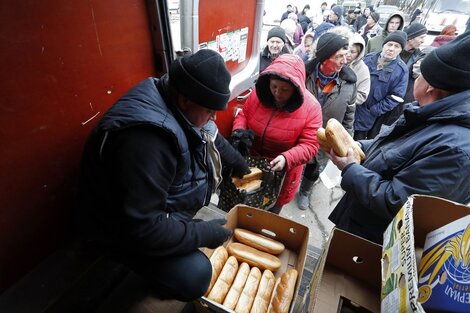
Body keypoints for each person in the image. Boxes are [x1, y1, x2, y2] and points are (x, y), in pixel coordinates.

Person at [76, 49, 250, 301]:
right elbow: (142, 228)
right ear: (185, 100)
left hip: (154, 207)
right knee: (195, 275)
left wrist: (239, 163)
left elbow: (211, 134)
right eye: (211, 110)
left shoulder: (176, 95)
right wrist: (202, 234)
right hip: (116, 229)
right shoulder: (147, 141)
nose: (215, 116)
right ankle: (152, 283)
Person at [327, 31, 470, 244]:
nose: (415, 80)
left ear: (431, 86)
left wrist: (350, 169)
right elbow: (392, 148)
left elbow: (400, 202)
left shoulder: (456, 149)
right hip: (359, 223)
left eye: (419, 74)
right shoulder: (428, 114)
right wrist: (356, 145)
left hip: (372, 245)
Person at [232, 54, 323, 215]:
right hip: (249, 163)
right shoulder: (258, 94)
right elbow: (244, 114)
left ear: (296, 88)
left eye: (284, 90)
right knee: (240, 207)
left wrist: (287, 158)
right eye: (274, 86)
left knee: (266, 216)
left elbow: (310, 145)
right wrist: (239, 132)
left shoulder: (312, 108)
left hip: (281, 173)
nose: (277, 93)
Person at [297, 30, 357, 210]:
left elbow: (349, 117)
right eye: (339, 56)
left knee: (313, 169)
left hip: (325, 139)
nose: (344, 61)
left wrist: (347, 143)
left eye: (345, 56)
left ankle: (305, 191)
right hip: (300, 134)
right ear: (324, 59)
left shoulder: (349, 83)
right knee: (294, 164)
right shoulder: (303, 75)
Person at [354, 31, 409, 140]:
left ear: (401, 50)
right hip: (353, 107)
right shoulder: (368, 58)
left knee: (356, 144)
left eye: (396, 46)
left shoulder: (401, 71)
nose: (391, 49)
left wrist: (374, 110)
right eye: (389, 44)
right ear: (384, 45)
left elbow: (395, 97)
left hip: (368, 116)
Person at [400, 23, 427, 103]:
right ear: (411, 38)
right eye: (421, 37)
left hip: (403, 99)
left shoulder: (420, 57)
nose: (423, 41)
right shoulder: (394, 51)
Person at [346, 32, 371, 107]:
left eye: (353, 52)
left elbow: (362, 95)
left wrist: (343, 98)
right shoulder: (337, 60)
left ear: (359, 53)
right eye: (347, 49)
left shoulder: (363, 69)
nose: (348, 54)